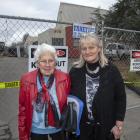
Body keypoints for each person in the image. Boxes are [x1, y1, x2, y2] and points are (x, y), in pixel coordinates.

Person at [69, 33, 126, 140]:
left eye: (91, 47)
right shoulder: (75, 71)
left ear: (99, 48)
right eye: (84, 48)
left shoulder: (111, 70)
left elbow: (121, 98)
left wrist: (118, 124)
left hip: (107, 127)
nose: (87, 51)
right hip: (82, 129)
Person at [18, 43, 71, 140]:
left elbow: (68, 103)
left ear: (55, 62)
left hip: (58, 128)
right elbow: (22, 109)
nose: (47, 64)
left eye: (51, 60)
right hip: (36, 130)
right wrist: (23, 135)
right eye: (43, 61)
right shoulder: (26, 79)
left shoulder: (65, 77)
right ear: (37, 63)